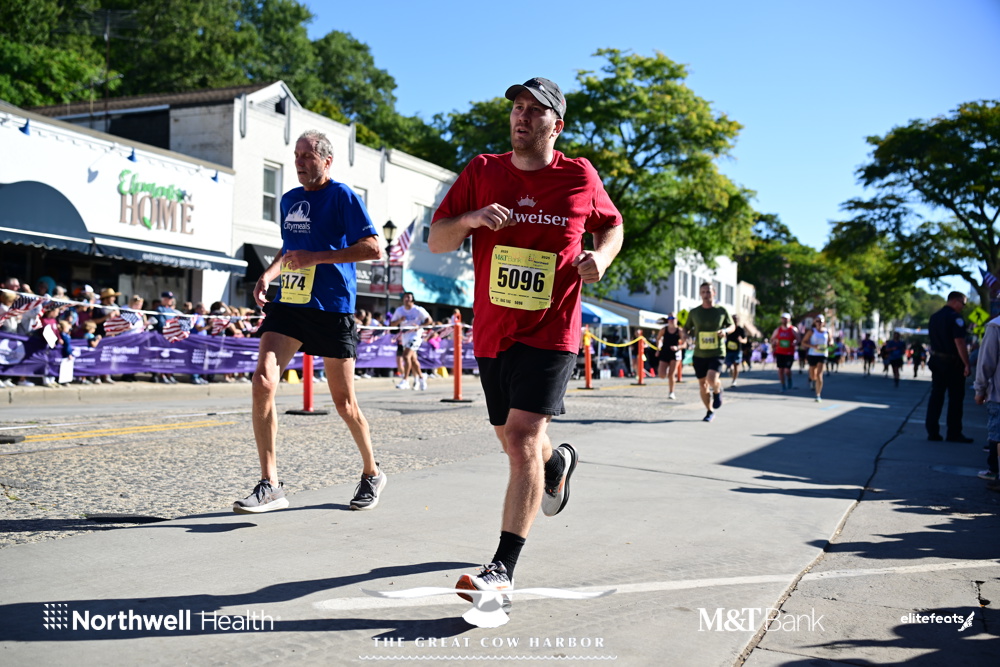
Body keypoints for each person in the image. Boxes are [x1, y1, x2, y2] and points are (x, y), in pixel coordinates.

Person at [428, 77, 623, 608]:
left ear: (556, 125)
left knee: (520, 438)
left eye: (536, 110)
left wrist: (601, 257)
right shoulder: (482, 171)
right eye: (517, 107)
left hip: (553, 330)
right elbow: (437, 239)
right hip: (494, 332)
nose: (522, 116)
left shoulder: (579, 175)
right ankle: (556, 465)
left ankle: (502, 570)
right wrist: (471, 218)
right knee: (515, 440)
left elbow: (612, 225)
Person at [233, 129, 385, 514]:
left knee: (344, 403)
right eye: (297, 156)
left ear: (327, 161)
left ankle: (372, 472)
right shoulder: (289, 199)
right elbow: (289, 250)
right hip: (291, 303)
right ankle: (270, 484)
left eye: (307, 156)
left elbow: (373, 248)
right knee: (262, 381)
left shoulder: (343, 196)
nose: (299, 162)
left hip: (332, 306)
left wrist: (315, 258)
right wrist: (268, 275)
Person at [926, 291, 972, 442]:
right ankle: (954, 432)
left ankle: (932, 431)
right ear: (955, 301)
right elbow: (959, 342)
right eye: (963, 304)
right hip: (952, 363)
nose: (963, 307)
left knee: (936, 396)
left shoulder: (934, 317)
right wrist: (966, 363)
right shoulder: (956, 318)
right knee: (955, 398)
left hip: (937, 359)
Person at [687, 282, 735, 422]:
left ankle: (718, 389)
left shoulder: (721, 311)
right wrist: (684, 335)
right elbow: (686, 328)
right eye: (703, 292)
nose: (706, 295)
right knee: (703, 385)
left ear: (714, 293)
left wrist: (725, 331)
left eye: (708, 292)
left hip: (717, 352)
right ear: (700, 294)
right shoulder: (694, 312)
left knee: (711, 379)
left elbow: (732, 325)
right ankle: (709, 411)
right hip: (699, 353)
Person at [973, 316, 1000, 491]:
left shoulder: (995, 326)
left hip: (998, 395)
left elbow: (986, 362)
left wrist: (979, 389)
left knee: (997, 435)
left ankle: (995, 470)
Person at [390, 292, 433, 390]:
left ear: (412, 299)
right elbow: (392, 324)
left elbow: (429, 320)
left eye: (409, 297)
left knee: (406, 356)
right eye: (405, 297)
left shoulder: (418, 310)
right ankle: (421, 378)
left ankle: (405, 380)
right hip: (405, 336)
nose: (407, 299)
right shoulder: (399, 310)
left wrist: (420, 326)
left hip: (415, 335)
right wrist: (400, 320)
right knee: (413, 360)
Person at [656, 315, 686, 399]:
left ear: (676, 319)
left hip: (675, 353)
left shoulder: (679, 330)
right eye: (669, 318)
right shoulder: (664, 329)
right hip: (665, 352)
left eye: (673, 318)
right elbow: (658, 338)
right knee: (661, 375)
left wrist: (678, 347)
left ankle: (671, 392)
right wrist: (658, 348)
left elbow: (685, 344)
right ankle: (667, 371)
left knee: (671, 374)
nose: (671, 320)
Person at [770, 312, 799, 392]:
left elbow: (798, 339)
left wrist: (795, 342)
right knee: (780, 370)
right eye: (783, 318)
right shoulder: (778, 330)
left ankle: (789, 378)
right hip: (780, 352)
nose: (784, 320)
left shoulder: (793, 329)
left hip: (789, 353)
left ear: (789, 320)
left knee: (787, 370)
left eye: (786, 319)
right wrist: (774, 343)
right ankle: (783, 385)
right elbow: (772, 339)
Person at [805, 314, 830, 402]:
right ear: (815, 322)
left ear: (824, 322)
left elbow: (831, 340)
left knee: (819, 375)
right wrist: (813, 346)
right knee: (813, 375)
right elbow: (803, 342)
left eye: (821, 321)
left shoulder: (827, 331)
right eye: (817, 321)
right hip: (812, 354)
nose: (819, 323)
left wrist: (831, 343)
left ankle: (818, 395)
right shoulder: (812, 331)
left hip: (822, 354)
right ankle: (812, 380)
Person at [724, 314, 747, 387]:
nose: (735, 320)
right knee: (729, 364)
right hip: (728, 350)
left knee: (736, 365)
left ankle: (734, 380)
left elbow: (745, 340)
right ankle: (730, 369)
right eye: (733, 319)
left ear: (738, 320)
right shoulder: (728, 329)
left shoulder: (741, 330)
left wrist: (741, 340)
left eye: (736, 319)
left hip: (737, 350)